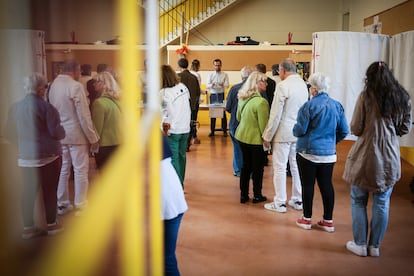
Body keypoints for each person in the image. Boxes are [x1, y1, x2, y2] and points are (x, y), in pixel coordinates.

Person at [343, 61, 412, 257]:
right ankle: (375, 247)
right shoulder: (402, 97)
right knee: (382, 202)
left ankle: (360, 244)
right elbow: (405, 128)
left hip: (365, 155)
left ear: (369, 78)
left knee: (358, 201)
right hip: (390, 156)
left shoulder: (365, 96)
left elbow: (355, 127)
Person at [4, 73, 66, 238]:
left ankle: (28, 228)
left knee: (28, 192)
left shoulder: (15, 107)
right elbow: (56, 133)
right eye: (45, 87)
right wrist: (62, 130)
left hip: (25, 158)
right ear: (40, 89)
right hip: (48, 157)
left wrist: (21, 146)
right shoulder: (47, 108)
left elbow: (8, 133)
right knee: (50, 191)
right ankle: (52, 225)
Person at [293, 72, 349, 232]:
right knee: (326, 185)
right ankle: (328, 221)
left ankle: (306, 219)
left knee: (308, 185)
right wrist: (332, 142)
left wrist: (295, 129)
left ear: (314, 89)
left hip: (307, 152)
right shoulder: (337, 105)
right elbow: (344, 130)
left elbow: (300, 130)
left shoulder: (308, 106)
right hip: (328, 154)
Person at [48, 60, 100, 216]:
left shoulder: (53, 85)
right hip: (76, 134)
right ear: (75, 71)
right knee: (80, 170)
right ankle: (81, 204)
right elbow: (84, 115)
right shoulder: (75, 86)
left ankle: (62, 203)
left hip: (59, 133)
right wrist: (93, 137)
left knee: (64, 169)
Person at [262, 58, 308, 213]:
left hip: (283, 133)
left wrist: (267, 135)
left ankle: (280, 202)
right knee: (295, 167)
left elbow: (276, 114)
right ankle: (297, 199)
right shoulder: (303, 85)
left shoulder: (283, 86)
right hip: (298, 132)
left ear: (282, 71)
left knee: (280, 167)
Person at [235, 71, 270, 204]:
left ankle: (243, 195)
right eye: (264, 81)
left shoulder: (242, 98)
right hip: (255, 140)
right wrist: (268, 142)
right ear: (257, 83)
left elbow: (238, 117)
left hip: (242, 136)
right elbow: (264, 126)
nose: (266, 84)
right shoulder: (261, 102)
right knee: (258, 168)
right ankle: (257, 195)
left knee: (245, 166)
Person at [160, 64, 191, 187]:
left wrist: (165, 129)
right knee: (182, 157)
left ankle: (177, 187)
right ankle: (181, 183)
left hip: (172, 130)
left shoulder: (164, 93)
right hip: (185, 128)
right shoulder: (183, 87)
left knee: (174, 159)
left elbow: (165, 113)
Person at [161, 135, 188, 276]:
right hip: (174, 203)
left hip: (167, 206)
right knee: (167, 257)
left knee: (165, 258)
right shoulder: (155, 135)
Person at [225, 66, 253, 177]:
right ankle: (249, 172)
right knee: (250, 149)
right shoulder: (256, 90)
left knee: (237, 148)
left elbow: (228, 108)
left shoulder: (234, 89)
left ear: (242, 76)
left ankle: (238, 170)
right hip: (250, 125)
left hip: (234, 124)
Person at [91, 71, 122, 169]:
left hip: (105, 146)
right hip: (120, 143)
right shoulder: (119, 101)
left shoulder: (99, 103)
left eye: (96, 81)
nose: (93, 84)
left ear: (104, 84)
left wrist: (91, 145)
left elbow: (96, 130)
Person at [177, 58, 201, 151]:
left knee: (180, 125)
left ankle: (181, 144)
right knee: (190, 124)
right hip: (191, 106)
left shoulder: (176, 77)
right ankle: (187, 144)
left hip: (179, 106)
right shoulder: (194, 77)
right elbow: (198, 92)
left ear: (179, 66)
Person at [206, 58, 229, 137]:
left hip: (221, 94)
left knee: (223, 113)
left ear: (221, 65)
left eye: (219, 65)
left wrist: (223, 84)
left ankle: (224, 131)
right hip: (213, 94)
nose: (217, 67)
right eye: (216, 65)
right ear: (213, 66)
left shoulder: (224, 74)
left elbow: (227, 85)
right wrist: (211, 85)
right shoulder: (210, 75)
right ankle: (212, 131)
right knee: (213, 113)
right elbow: (207, 85)